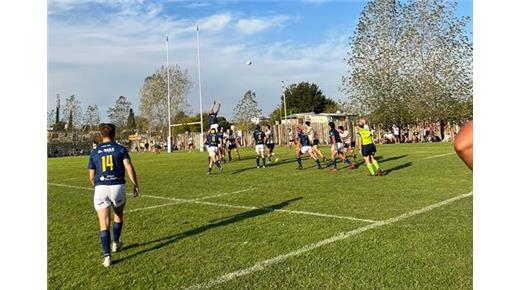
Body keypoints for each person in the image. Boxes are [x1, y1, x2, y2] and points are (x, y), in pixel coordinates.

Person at [88, 123, 140, 267]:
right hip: (117, 187)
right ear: (114, 133)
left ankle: (107, 256)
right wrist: (135, 184)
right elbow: (128, 166)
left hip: (101, 188)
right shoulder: (120, 149)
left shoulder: (95, 151)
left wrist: (97, 185)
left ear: (101, 134)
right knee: (118, 215)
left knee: (103, 223)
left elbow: (91, 176)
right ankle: (116, 243)